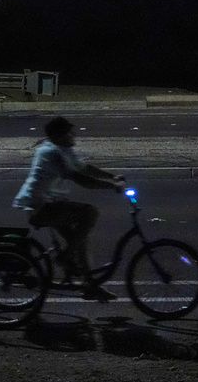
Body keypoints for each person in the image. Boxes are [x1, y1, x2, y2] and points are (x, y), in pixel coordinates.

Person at [13, 116, 125, 301]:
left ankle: (89, 286)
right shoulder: (52, 153)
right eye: (68, 133)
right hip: (40, 207)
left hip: (50, 204)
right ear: (58, 136)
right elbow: (81, 179)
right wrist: (112, 186)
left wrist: (112, 176)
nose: (73, 135)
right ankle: (65, 258)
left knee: (80, 241)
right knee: (90, 212)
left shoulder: (63, 150)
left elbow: (84, 168)